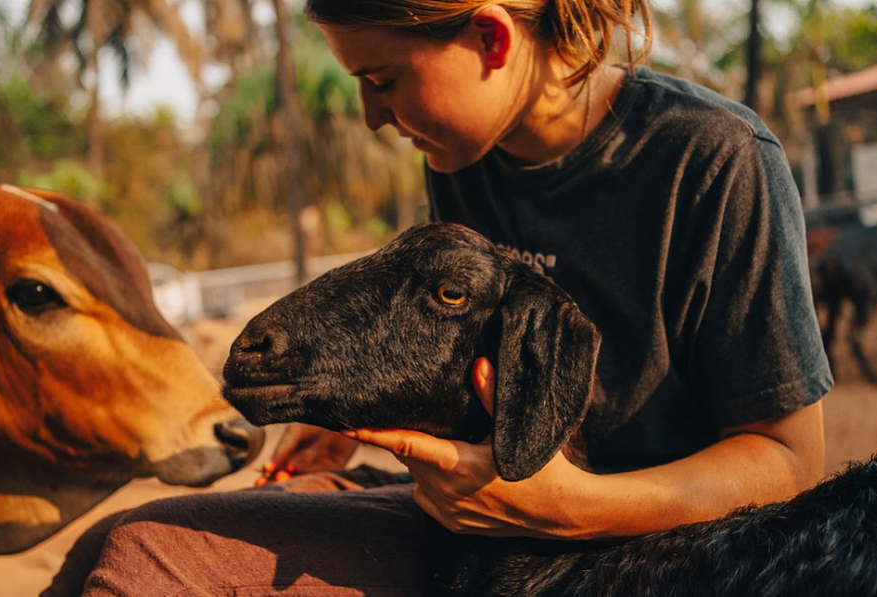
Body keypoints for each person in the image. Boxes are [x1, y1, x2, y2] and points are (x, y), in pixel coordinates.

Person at [43, 1, 832, 595]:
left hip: (643, 552)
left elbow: (791, 459)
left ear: (490, 37)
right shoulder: (464, 156)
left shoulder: (713, 162)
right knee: (121, 547)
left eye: (383, 81)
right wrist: (351, 414)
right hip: (464, 527)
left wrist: (569, 508)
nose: (371, 116)